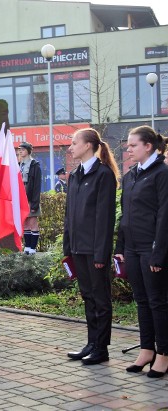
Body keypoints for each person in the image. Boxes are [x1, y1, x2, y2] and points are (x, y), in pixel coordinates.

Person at [114, 125, 168, 378]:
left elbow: (165, 217)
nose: (128, 148)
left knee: (158, 302)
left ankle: (164, 354)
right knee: (142, 300)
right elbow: (126, 214)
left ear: (148, 146)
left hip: (152, 247)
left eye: (133, 145)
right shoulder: (131, 175)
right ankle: (147, 349)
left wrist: (159, 253)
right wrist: (121, 247)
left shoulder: (162, 173)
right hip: (133, 248)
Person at [63, 128, 119, 365]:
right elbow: (70, 216)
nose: (70, 147)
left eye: (74, 143)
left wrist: (101, 253)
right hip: (78, 248)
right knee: (88, 296)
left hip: (94, 250)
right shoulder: (75, 175)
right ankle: (91, 342)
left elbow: (105, 219)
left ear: (87, 146)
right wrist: (68, 249)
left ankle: (101, 348)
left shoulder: (103, 175)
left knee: (100, 299)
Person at [17, 142, 42, 255]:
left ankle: (33, 248)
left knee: (33, 223)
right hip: (21, 196)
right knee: (25, 223)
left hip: (30, 196)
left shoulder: (34, 165)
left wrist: (35, 204)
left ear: (28, 150)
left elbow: (37, 186)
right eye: (19, 149)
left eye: (22, 149)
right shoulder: (19, 164)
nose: (20, 151)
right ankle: (27, 247)